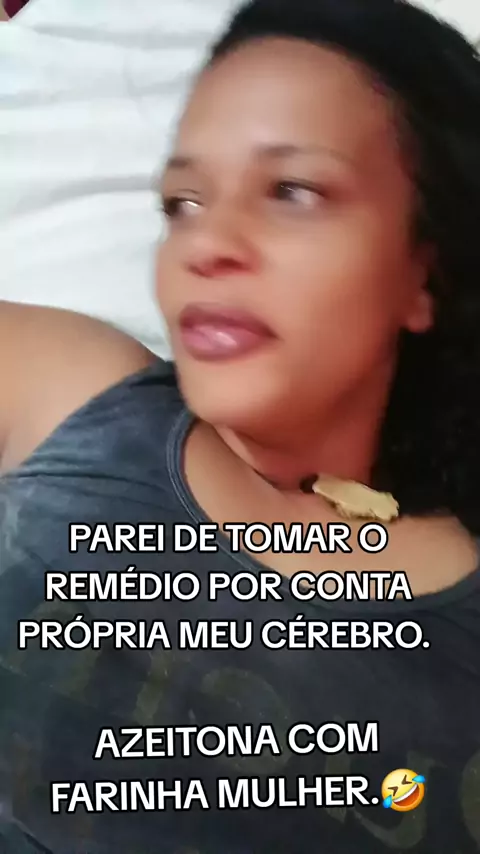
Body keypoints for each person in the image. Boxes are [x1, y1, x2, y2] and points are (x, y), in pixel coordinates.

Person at [1, 0, 480, 851]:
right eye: (182, 202)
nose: (205, 244)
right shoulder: (67, 390)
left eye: (293, 192)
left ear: (428, 268)